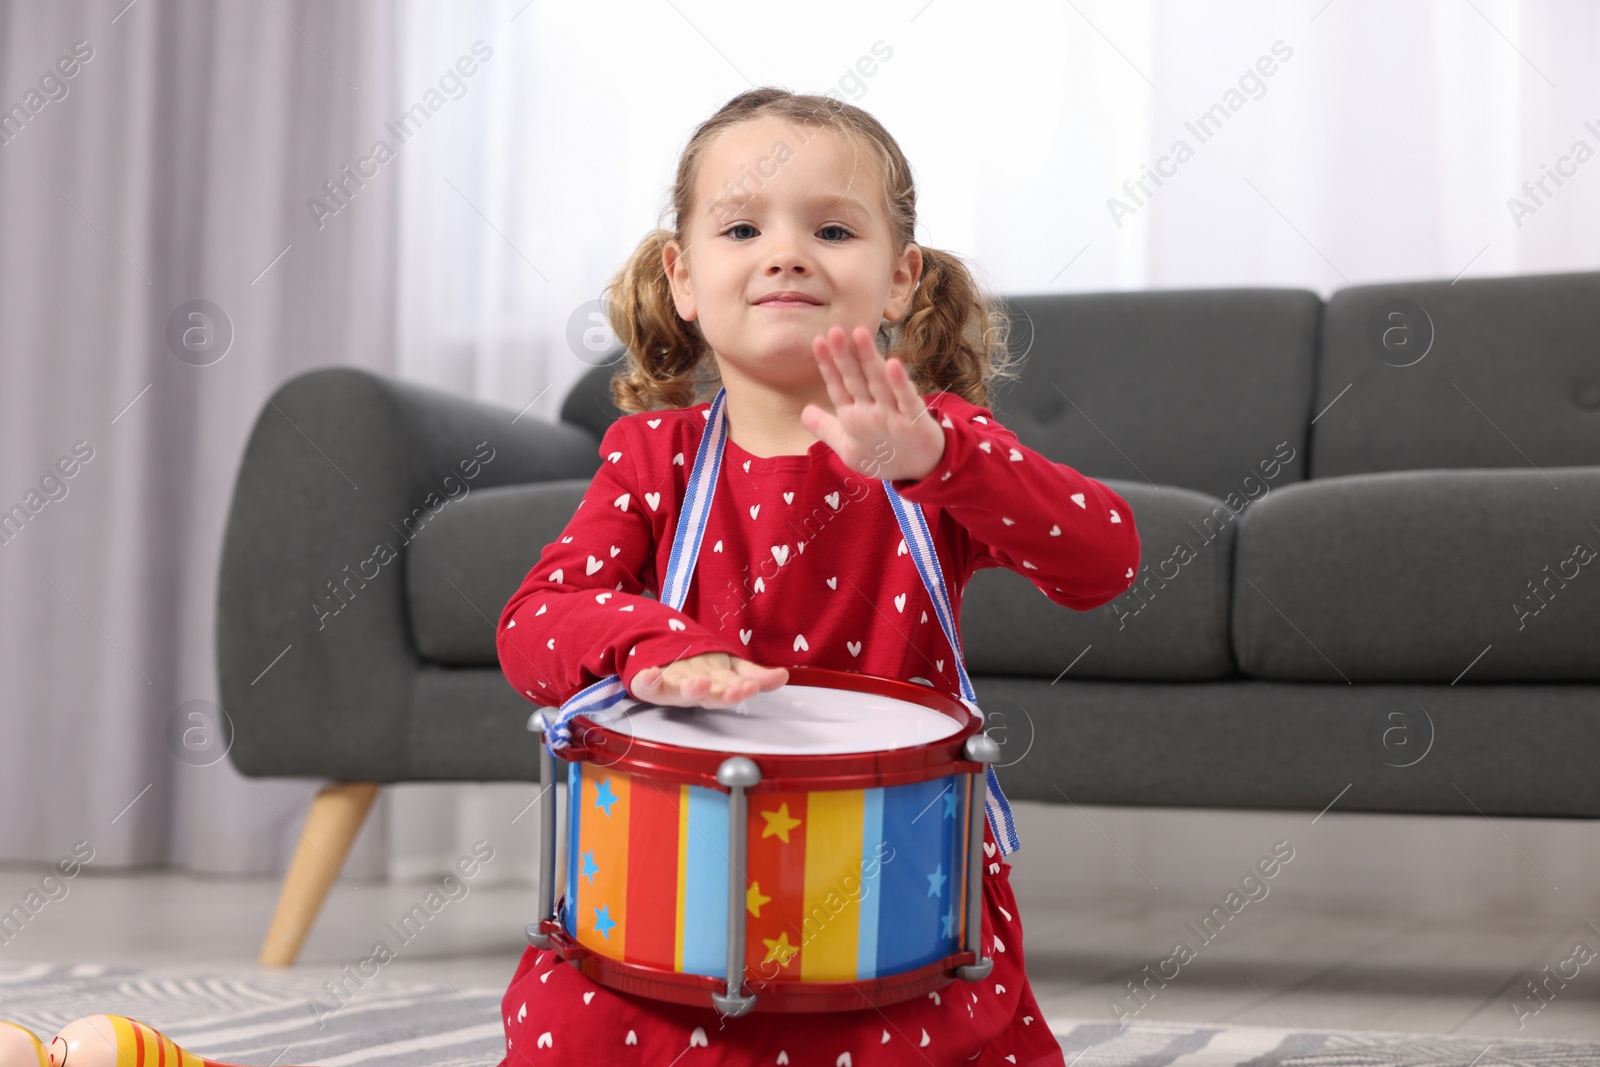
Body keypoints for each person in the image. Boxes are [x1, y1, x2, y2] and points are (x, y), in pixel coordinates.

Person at [493, 86, 1140, 1067]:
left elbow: (1107, 559)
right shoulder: (650, 457)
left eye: (832, 228)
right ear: (681, 276)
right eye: (743, 225)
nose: (786, 251)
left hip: (889, 911)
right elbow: (533, 624)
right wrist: (656, 645)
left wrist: (942, 462)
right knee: (578, 1030)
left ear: (898, 280)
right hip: (673, 912)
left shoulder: (939, 447)